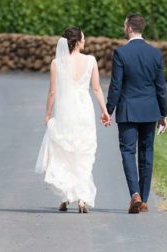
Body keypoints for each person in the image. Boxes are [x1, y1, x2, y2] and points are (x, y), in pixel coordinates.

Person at [35, 27, 111, 213]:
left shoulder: (56, 63)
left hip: (65, 111)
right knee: (83, 153)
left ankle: (67, 196)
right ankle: (81, 199)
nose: (85, 42)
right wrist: (105, 111)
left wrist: (47, 113)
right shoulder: (91, 61)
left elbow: (52, 92)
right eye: (83, 39)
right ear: (77, 42)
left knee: (66, 152)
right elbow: (96, 89)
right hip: (84, 111)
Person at [105, 13, 167, 214]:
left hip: (128, 111)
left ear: (130, 28)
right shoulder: (155, 54)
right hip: (150, 111)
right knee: (146, 153)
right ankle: (145, 199)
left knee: (127, 152)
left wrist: (108, 110)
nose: (124, 28)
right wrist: (163, 114)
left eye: (124, 25)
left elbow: (116, 86)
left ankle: (135, 194)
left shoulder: (121, 53)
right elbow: (161, 87)